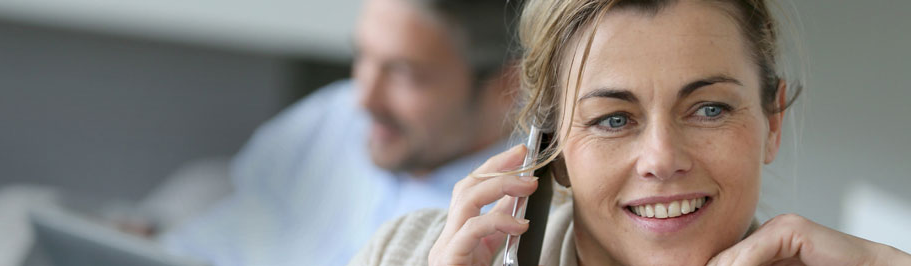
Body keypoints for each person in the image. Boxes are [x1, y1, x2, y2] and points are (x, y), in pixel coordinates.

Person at [350, 0, 911, 265]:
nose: (662, 159)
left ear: (773, 123)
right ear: (553, 149)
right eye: (613, 119)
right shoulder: (406, 256)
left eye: (710, 109)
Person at [158, 0, 522, 265]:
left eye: (405, 74)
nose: (364, 100)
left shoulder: (509, 224)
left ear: (507, 84)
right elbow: (235, 212)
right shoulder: (335, 116)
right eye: (362, 57)